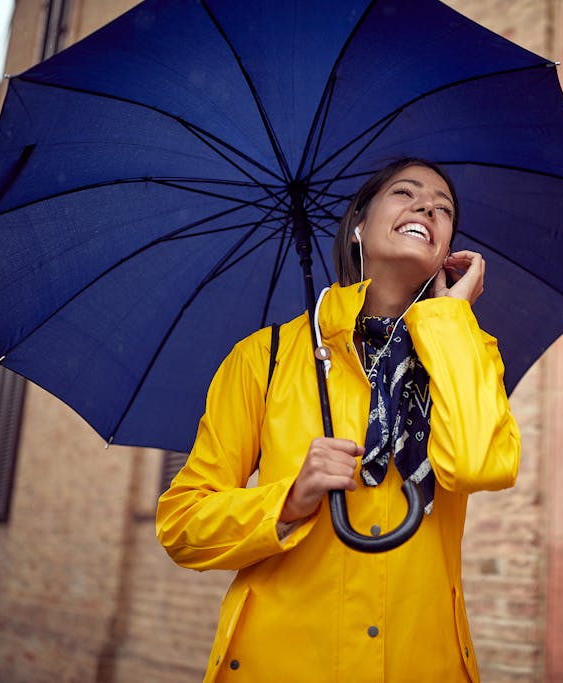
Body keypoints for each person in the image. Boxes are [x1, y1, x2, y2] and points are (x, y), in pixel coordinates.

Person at [155, 158, 521, 682]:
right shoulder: (268, 357)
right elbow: (182, 524)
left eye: (444, 209)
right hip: (282, 663)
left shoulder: (465, 354)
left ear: (446, 253)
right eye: (405, 193)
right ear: (357, 227)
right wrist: (290, 498)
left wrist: (450, 320)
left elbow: (479, 466)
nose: (428, 208)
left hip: (423, 663)